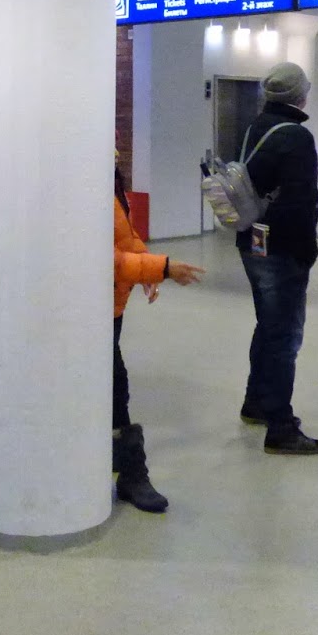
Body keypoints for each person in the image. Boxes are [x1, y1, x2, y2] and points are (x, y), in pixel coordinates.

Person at [236, 61, 318, 456]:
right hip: (283, 246)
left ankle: (257, 401)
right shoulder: (296, 136)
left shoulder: (256, 127)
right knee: (285, 334)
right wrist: (307, 249)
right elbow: (300, 202)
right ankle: (280, 427)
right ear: (300, 95)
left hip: (252, 240)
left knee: (268, 325)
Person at [112, 163, 202, 511]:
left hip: (111, 307)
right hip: (85, 313)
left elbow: (125, 237)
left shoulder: (108, 180)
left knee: (114, 386)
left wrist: (146, 267)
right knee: (113, 388)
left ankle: (129, 472)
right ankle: (131, 473)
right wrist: (161, 268)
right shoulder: (80, 183)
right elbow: (98, 258)